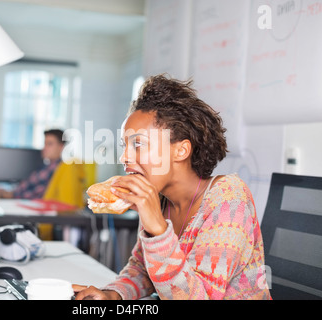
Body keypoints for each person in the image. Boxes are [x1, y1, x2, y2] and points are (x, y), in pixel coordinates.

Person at [73, 74, 271, 300]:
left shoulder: (229, 199)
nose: (125, 157)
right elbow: (144, 270)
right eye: (125, 146)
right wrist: (111, 295)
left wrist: (158, 229)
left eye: (138, 144)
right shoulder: (159, 198)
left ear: (181, 151)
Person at [0, 129, 66, 200]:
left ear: (61, 147)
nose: (45, 148)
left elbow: (35, 196)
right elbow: (26, 187)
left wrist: (6, 195)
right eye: (44, 144)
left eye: (49, 144)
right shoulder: (45, 167)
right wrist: (6, 192)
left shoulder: (57, 170)